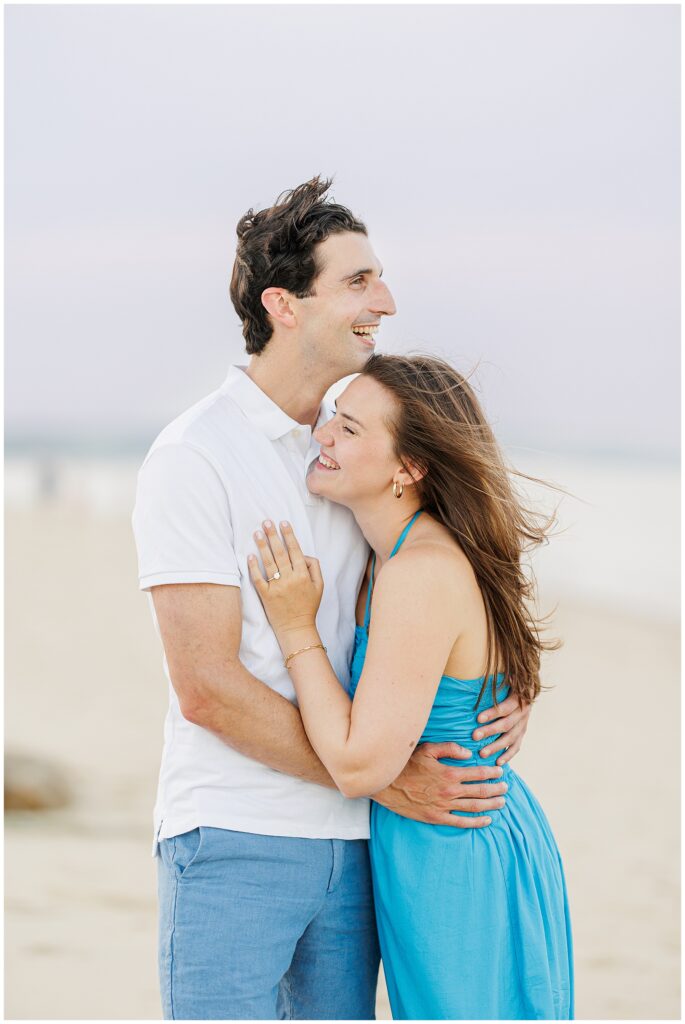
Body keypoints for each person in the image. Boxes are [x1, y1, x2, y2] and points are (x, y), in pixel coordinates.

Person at [132, 177, 531, 1021]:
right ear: (282, 304)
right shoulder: (194, 457)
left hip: (358, 854)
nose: (383, 300)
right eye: (356, 281)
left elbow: (458, 565)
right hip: (238, 835)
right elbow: (205, 686)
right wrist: (383, 780)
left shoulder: (356, 454)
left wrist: (499, 691)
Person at [248, 353, 574, 1020]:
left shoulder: (419, 568)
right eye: (332, 419)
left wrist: (294, 628)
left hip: (456, 841)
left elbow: (358, 763)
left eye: (350, 428)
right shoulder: (396, 554)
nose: (323, 434)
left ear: (408, 468)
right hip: (452, 833)